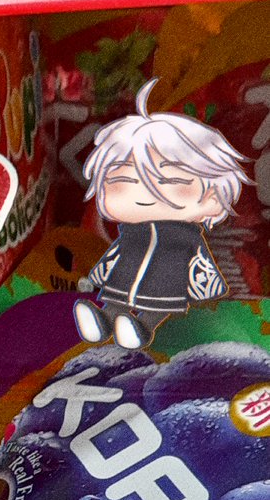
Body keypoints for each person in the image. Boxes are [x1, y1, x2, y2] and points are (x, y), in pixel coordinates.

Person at [73, 78, 249, 350]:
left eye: (171, 183)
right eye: (123, 182)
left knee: (157, 309)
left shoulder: (187, 237)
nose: (144, 196)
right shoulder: (130, 232)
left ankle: (142, 328)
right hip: (124, 279)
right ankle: (102, 320)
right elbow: (114, 254)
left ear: (212, 197)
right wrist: (95, 278)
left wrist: (208, 290)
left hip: (167, 284)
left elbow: (200, 262)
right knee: (116, 302)